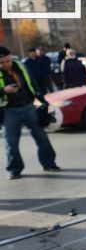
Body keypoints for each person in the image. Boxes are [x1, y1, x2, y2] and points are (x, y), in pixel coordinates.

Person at [0, 46, 60, 180]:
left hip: (29, 106)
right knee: (11, 143)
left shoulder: (21, 66)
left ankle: (49, 163)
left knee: (41, 136)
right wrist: (4, 90)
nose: (5, 64)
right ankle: (14, 169)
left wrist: (42, 101)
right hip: (9, 111)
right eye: (1, 63)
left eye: (7, 61)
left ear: (10, 57)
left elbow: (31, 83)